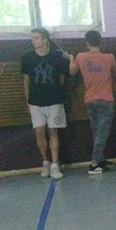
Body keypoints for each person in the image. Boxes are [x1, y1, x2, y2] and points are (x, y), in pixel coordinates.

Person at [21, 28, 69, 180]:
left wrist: (57, 93)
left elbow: (62, 78)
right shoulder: (27, 58)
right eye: (32, 38)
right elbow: (26, 81)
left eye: (36, 38)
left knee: (53, 131)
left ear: (45, 40)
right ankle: (45, 162)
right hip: (35, 101)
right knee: (39, 132)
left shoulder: (57, 57)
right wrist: (28, 101)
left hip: (54, 100)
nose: (33, 41)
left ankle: (55, 164)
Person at [66, 30, 116, 175]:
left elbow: (72, 71)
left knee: (97, 131)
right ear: (100, 41)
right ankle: (94, 164)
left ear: (87, 42)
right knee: (102, 132)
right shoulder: (109, 58)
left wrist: (70, 58)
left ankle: (100, 160)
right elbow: (113, 72)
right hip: (106, 99)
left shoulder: (80, 57)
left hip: (90, 99)